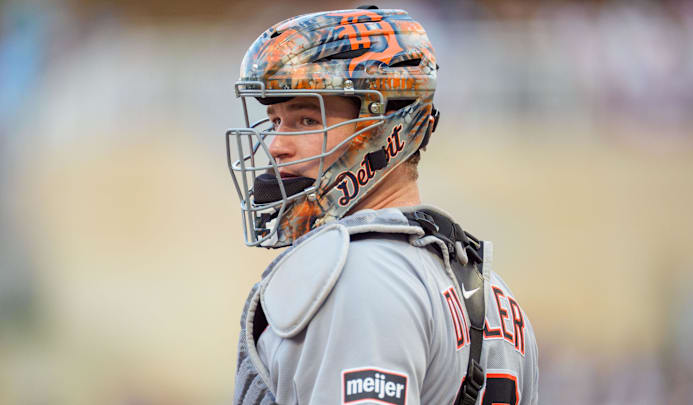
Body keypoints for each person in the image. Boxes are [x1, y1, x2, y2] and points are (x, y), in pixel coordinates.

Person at [225, 6, 539, 405]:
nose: (276, 146)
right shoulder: (495, 293)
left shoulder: (358, 276)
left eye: (306, 120)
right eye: (275, 122)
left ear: (387, 127)